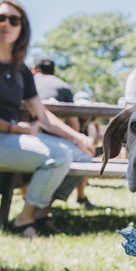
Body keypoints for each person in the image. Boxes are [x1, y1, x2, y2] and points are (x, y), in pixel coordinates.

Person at [0, 0, 95, 238]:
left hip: (16, 138)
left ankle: (41, 211)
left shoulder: (21, 68)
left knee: (83, 156)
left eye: (14, 19)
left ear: (22, 27)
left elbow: (41, 113)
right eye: (1, 17)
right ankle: (24, 219)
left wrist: (78, 138)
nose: (6, 24)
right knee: (59, 157)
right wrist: (11, 128)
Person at [31, 59, 95, 208]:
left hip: (20, 136)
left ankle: (30, 200)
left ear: (34, 69)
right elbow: (73, 122)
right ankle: (49, 201)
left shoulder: (27, 81)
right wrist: (77, 140)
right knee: (84, 156)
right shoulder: (63, 86)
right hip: (48, 140)